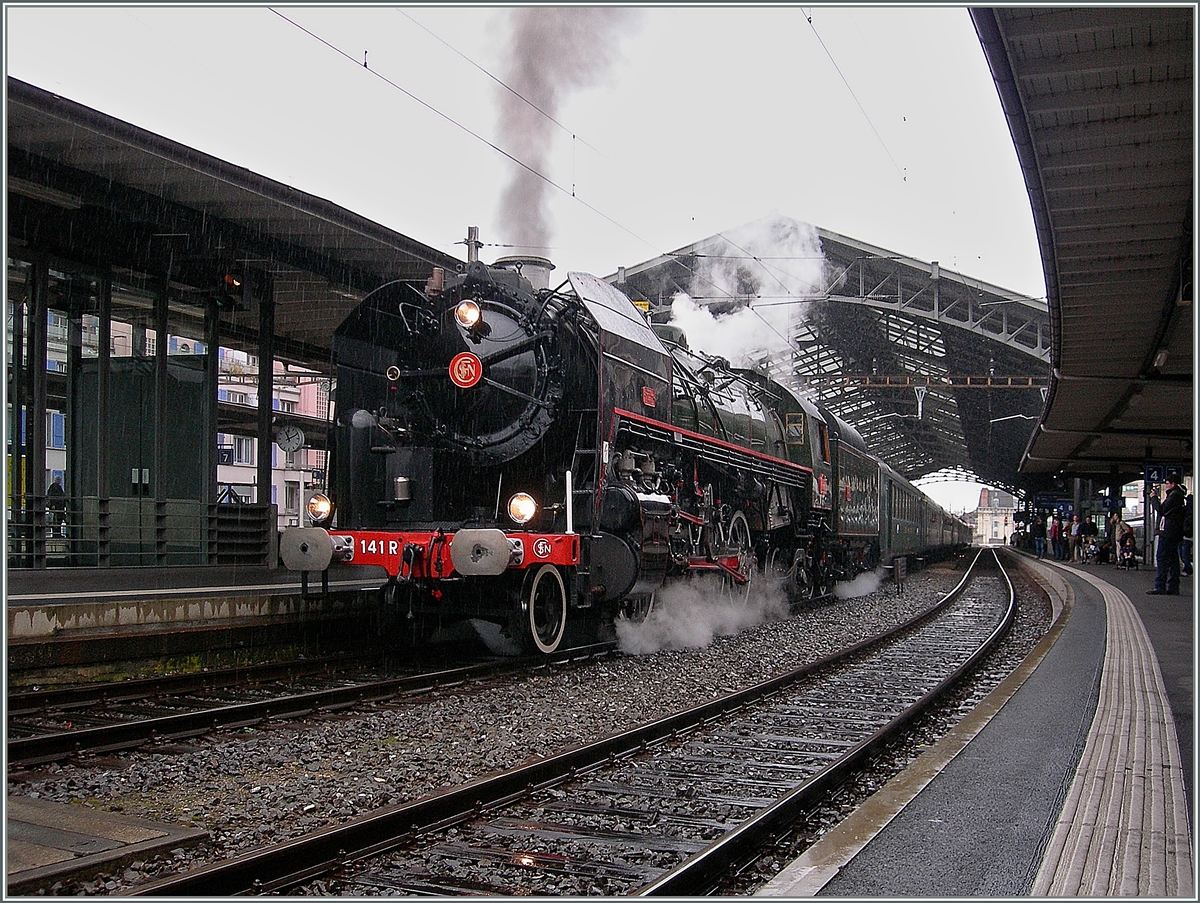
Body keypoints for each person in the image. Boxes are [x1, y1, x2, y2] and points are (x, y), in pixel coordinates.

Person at [1147, 475, 1186, 595]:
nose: (1166, 485)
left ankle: (1160, 586)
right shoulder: (1178, 496)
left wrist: (1153, 498)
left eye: (1167, 483)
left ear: (1173, 484)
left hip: (1168, 532)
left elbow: (1161, 509)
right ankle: (1173, 587)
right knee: (1173, 559)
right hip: (1174, 533)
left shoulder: (1174, 496)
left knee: (1162, 557)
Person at [1180, 493, 1193, 577]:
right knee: (1184, 554)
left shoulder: (1186, 510)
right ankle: (1187, 569)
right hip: (1189, 536)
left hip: (1186, 535)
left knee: (1184, 554)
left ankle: (1188, 569)